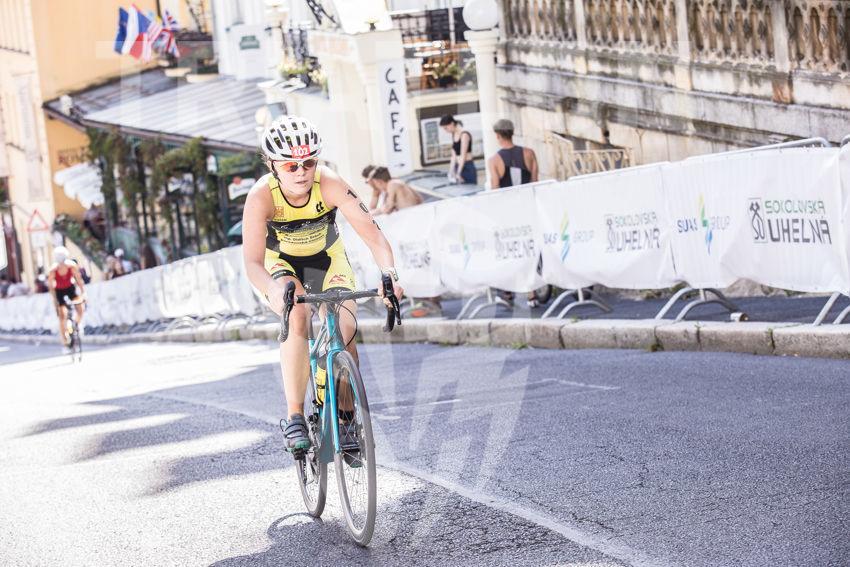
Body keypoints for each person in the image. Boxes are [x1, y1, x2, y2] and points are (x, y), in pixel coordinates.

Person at [242, 115, 403, 453]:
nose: (301, 172)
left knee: (346, 327)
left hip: (327, 260)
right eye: (290, 166)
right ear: (272, 165)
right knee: (297, 315)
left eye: (309, 163)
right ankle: (295, 416)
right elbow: (253, 263)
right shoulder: (261, 196)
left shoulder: (330, 183)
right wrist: (273, 289)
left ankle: (346, 418)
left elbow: (374, 236)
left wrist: (389, 274)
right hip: (282, 265)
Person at [48, 246, 86, 351]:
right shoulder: (53, 270)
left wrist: (83, 293)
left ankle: (76, 325)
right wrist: (55, 301)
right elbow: (51, 287)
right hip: (59, 291)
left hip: (70, 288)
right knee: (62, 316)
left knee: (80, 308)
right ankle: (65, 341)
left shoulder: (72, 266)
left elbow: (79, 279)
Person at [487, 118, 539, 189]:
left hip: (507, 196)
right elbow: (535, 182)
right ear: (513, 132)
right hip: (528, 195)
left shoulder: (493, 160)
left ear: (497, 135)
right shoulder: (529, 153)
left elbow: (495, 188)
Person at [440, 115, 477, 185]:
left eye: (446, 128)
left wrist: (458, 173)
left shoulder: (464, 134)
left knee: (469, 189)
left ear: (451, 124)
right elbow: (453, 156)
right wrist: (451, 172)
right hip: (458, 166)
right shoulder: (454, 134)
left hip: (467, 167)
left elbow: (463, 156)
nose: (446, 131)